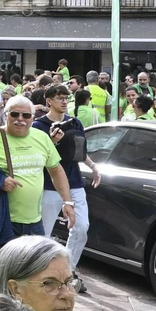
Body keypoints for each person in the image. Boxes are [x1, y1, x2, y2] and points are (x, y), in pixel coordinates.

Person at [0, 95, 75, 244]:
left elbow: (56, 170)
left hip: (34, 222)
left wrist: (68, 202)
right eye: (14, 114)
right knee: (3, 266)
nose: (20, 119)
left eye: (26, 115)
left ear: (32, 118)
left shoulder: (42, 138)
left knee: (36, 266)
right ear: (6, 115)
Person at [34, 84, 93, 282]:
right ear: (49, 100)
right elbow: (38, 156)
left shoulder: (75, 123)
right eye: (60, 97)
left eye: (67, 97)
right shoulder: (38, 125)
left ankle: (69, 270)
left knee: (81, 227)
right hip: (49, 184)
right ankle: (39, 271)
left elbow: (81, 151)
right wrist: (52, 141)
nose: (65, 101)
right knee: (45, 231)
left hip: (74, 180)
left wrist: (94, 167)